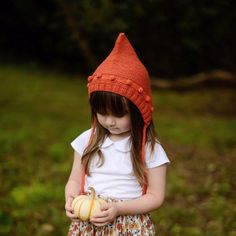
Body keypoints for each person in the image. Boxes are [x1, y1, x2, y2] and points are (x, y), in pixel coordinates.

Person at [65, 32, 170, 235]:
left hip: (128, 224)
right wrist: (71, 198)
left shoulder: (149, 148)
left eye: (119, 114)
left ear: (138, 112)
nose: (110, 121)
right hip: (88, 223)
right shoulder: (86, 140)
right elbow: (75, 180)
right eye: (102, 113)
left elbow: (156, 196)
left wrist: (119, 209)